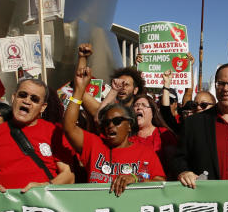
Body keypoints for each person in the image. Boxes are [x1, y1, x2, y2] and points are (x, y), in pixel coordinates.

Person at [63, 66, 165, 194]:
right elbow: (69, 127)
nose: (111, 125)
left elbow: (161, 182)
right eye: (106, 122)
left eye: (117, 121)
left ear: (129, 125)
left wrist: (135, 178)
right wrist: (78, 90)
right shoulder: (94, 145)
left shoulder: (145, 153)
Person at [0, 77, 77, 191]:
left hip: (44, 205)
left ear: (43, 107)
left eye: (34, 99)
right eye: (22, 95)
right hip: (5, 206)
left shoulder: (54, 132)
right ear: (13, 98)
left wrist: (44, 186)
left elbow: (69, 176)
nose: (27, 101)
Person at [130, 92, 178, 179]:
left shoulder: (164, 135)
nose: (139, 107)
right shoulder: (127, 136)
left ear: (153, 112)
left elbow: (174, 165)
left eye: (144, 105)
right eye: (136, 105)